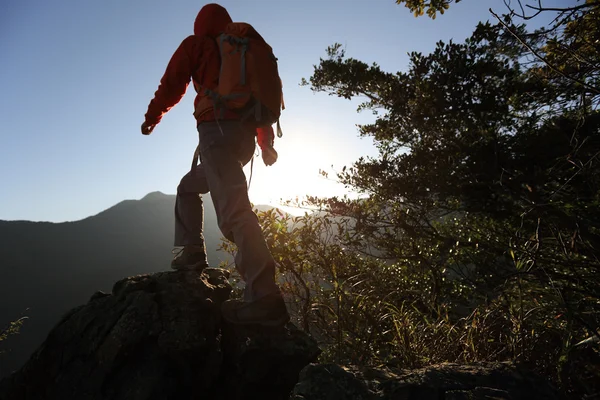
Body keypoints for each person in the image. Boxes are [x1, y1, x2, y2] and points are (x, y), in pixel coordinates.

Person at [141, 3, 289, 327]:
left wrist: (153, 117)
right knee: (188, 187)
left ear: (199, 25)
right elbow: (258, 103)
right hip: (242, 142)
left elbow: (172, 85)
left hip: (215, 134)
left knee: (235, 210)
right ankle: (192, 251)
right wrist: (266, 146)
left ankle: (264, 296)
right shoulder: (243, 54)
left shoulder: (196, 45)